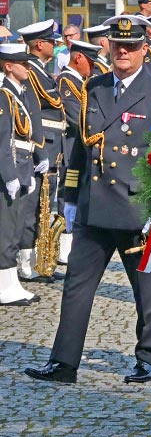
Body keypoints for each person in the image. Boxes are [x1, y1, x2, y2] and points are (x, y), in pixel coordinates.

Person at [23, 15, 151, 385]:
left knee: (148, 290)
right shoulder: (94, 87)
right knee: (76, 285)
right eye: (117, 45)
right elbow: (81, 147)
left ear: (145, 48)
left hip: (137, 207)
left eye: (131, 46)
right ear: (107, 46)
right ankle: (63, 362)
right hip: (95, 204)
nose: (122, 52)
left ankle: (149, 358)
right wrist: (71, 196)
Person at [17, 19, 65, 283]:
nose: (55, 46)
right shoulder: (33, 69)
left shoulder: (40, 69)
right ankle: (27, 262)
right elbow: (52, 101)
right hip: (42, 143)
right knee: (33, 206)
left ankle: (39, 259)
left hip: (52, 142)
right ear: (39, 44)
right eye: (51, 42)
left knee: (44, 206)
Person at [0, 44, 39, 306]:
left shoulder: (18, 93)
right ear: (8, 66)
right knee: (6, 230)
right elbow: (3, 139)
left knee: (14, 230)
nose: (28, 67)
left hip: (22, 167)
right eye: (22, 63)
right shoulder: (4, 95)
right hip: (10, 170)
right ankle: (4, 287)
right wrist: (10, 174)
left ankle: (11, 282)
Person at [56, 40, 102, 264]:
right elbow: (77, 116)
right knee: (68, 190)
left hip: (80, 143)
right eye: (90, 62)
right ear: (78, 58)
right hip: (71, 144)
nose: (92, 68)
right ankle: (65, 244)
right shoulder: (67, 81)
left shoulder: (82, 82)